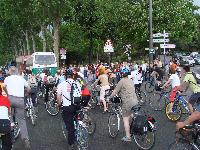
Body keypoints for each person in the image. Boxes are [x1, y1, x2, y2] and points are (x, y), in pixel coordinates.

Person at [3, 66, 31, 149]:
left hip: (10, 99)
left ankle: (11, 127)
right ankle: (26, 139)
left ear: (10, 72)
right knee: (22, 120)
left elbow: (4, 87)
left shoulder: (7, 79)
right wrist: (26, 93)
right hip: (20, 100)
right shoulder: (21, 78)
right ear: (16, 72)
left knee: (9, 115)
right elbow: (28, 88)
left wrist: (7, 93)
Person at [57, 69, 81, 150]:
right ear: (72, 76)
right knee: (77, 117)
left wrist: (59, 104)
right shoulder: (77, 83)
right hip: (77, 106)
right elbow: (79, 94)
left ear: (65, 76)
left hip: (68, 107)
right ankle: (79, 127)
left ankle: (71, 144)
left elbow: (58, 96)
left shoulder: (62, 84)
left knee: (70, 127)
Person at [110, 71, 138, 142]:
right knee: (131, 113)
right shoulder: (131, 81)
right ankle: (135, 125)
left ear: (121, 75)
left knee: (125, 119)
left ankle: (128, 136)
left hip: (127, 102)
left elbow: (115, 92)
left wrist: (109, 97)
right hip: (135, 101)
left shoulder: (121, 81)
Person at [176, 65, 200, 130]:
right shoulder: (191, 74)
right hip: (198, 91)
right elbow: (187, 85)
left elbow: (183, 83)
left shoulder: (187, 75)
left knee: (189, 103)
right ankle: (196, 118)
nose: (182, 71)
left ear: (184, 70)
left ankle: (193, 117)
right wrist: (183, 90)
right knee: (196, 105)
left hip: (197, 91)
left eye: (182, 70)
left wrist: (178, 88)